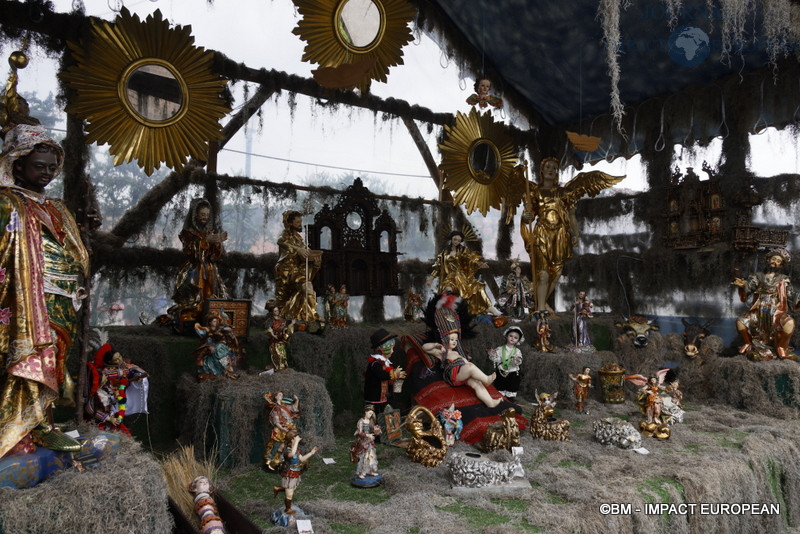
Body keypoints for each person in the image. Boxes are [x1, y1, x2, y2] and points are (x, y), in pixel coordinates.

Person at [0, 124, 90, 457]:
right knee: (31, 357)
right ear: (18, 163)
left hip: (63, 296)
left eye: (53, 167)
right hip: (28, 298)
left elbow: (72, 247)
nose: (48, 173)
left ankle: (45, 422)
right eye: (40, 166)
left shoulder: (56, 207)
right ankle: (22, 428)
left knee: (55, 360)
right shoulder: (7, 202)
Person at [516, 158, 623, 314]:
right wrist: (525, 218)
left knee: (556, 272)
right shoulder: (534, 192)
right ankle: (540, 311)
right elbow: (529, 216)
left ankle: (541, 303)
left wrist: (575, 233)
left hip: (560, 235)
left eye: (554, 167)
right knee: (543, 274)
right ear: (542, 170)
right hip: (542, 234)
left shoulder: (564, 192)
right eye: (548, 167)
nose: (551, 169)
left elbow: (571, 215)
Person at [167, 198, 229, 331]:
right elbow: (189, 250)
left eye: (207, 215)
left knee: (212, 295)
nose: (205, 218)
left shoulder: (210, 232)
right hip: (195, 269)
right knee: (194, 298)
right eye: (202, 215)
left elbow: (216, 256)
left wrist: (217, 242)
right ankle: (192, 317)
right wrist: (204, 241)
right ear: (195, 215)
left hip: (210, 270)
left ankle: (212, 319)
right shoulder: (187, 233)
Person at [732, 248, 800, 360]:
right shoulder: (758, 276)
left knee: (789, 323)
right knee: (741, 322)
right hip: (758, 312)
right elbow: (750, 286)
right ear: (768, 260)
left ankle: (781, 347)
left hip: (776, 313)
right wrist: (743, 285)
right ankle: (748, 343)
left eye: (778, 261)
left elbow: (792, 294)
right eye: (773, 259)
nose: (775, 262)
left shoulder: (783, 280)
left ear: (781, 265)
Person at [427, 230, 501, 316]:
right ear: (451, 239)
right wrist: (431, 278)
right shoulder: (444, 253)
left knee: (476, 289)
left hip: (461, 278)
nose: (456, 242)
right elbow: (438, 267)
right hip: (449, 279)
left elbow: (470, 260)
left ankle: (488, 308)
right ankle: (447, 312)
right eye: (455, 239)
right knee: (448, 290)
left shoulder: (463, 251)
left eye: (459, 240)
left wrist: (478, 264)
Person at [423, 332, 501, 408]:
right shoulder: (441, 352)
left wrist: (474, 373)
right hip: (454, 375)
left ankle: (490, 402)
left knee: (477, 383)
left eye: (456, 340)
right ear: (443, 340)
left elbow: (465, 363)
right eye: (452, 339)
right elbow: (424, 347)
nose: (454, 342)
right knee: (470, 366)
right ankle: (486, 380)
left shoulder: (456, 353)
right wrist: (436, 345)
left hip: (462, 374)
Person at [274, 210, 322, 321]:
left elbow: (307, 252)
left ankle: (311, 316)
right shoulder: (285, 236)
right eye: (297, 222)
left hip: (298, 272)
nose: (300, 225)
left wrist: (315, 263)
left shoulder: (300, 240)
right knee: (283, 300)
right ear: (290, 223)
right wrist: (298, 250)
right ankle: (289, 315)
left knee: (307, 287)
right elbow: (281, 241)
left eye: (300, 222)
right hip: (286, 272)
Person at [272, 430, 318, 515]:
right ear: (291, 440)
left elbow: (301, 459)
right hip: (290, 474)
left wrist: (311, 453)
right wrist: (296, 442)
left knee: (292, 488)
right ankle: (287, 509)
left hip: (296, 472)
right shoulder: (287, 451)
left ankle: (277, 488)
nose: (298, 440)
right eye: (295, 438)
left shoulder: (296, 450)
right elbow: (292, 455)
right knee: (289, 494)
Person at [364, 328, 407, 414]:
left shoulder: (388, 363)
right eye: (390, 348)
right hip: (374, 397)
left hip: (385, 397)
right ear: (381, 349)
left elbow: (389, 378)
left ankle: (385, 425)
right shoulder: (375, 363)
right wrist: (394, 374)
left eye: (393, 348)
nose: (392, 351)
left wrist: (396, 378)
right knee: (374, 415)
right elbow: (382, 375)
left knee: (386, 413)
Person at [193, 311, 239, 381]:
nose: (216, 323)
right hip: (210, 346)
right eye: (214, 321)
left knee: (222, 355)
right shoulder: (207, 330)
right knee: (214, 354)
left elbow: (227, 332)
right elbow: (203, 339)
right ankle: (213, 373)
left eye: (217, 321)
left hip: (219, 346)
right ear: (210, 322)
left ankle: (226, 372)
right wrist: (208, 335)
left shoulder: (220, 328)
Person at [262, 391, 300, 471]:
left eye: (282, 395)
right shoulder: (275, 408)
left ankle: (281, 460)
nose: (281, 396)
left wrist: (296, 400)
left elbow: (294, 409)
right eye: (279, 395)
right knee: (277, 445)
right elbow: (276, 421)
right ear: (276, 397)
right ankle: (270, 460)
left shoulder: (285, 405)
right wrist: (283, 428)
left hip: (289, 427)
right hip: (281, 430)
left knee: (286, 445)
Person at [487, 326, 524, 400]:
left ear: (518, 340)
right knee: (500, 387)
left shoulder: (517, 351)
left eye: (516, 337)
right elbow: (496, 359)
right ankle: (500, 401)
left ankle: (510, 402)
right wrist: (492, 354)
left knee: (511, 388)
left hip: (512, 373)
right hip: (501, 372)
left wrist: (517, 360)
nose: (512, 338)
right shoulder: (499, 349)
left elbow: (519, 361)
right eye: (511, 336)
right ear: (506, 336)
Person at [350, 405, 381, 479]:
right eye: (369, 413)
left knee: (371, 456)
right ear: (365, 412)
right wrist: (368, 435)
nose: (370, 415)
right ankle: (360, 472)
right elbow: (360, 433)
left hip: (369, 442)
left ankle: (370, 471)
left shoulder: (370, 421)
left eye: (371, 414)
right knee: (363, 457)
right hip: (363, 442)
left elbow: (372, 430)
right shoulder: (361, 421)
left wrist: (376, 431)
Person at [265, 303, 295, 372]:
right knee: (276, 353)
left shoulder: (282, 320)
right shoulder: (270, 320)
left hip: (281, 340)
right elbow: (268, 328)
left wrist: (292, 324)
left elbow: (285, 328)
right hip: (274, 340)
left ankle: (282, 366)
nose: (277, 312)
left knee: (282, 354)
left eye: (277, 310)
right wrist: (273, 335)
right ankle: (276, 366)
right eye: (275, 311)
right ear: (272, 312)